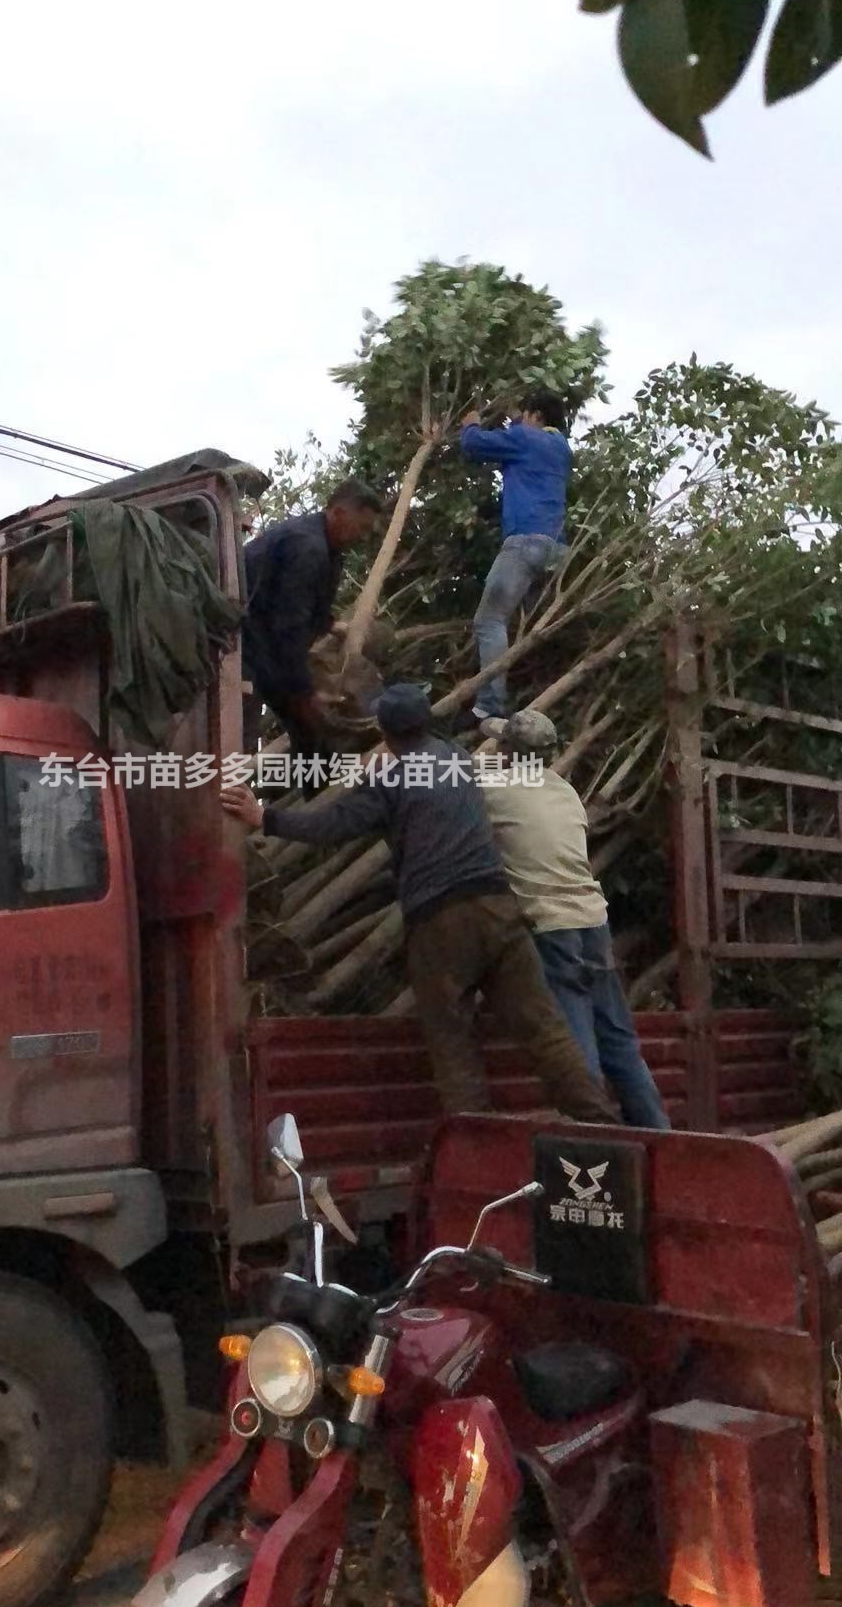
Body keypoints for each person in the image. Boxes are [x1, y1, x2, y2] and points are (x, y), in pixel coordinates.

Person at [222, 682, 617, 1124]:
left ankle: (473, 1139)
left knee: (451, 1037)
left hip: (441, 921)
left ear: (385, 732)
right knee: (546, 1029)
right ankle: (601, 1126)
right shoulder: (460, 762)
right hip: (499, 908)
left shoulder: (390, 779)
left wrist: (265, 817)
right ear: (427, 721)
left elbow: (333, 825)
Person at [480, 708, 670, 1129]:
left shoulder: (494, 787)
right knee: (618, 1038)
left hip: (553, 926)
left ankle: (593, 1133)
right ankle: (658, 1133)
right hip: (592, 920)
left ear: (509, 752)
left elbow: (454, 781)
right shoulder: (566, 792)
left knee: (575, 1037)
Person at [242, 478, 382, 765]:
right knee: (244, 733)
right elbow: (290, 625)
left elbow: (306, 605)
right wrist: (305, 692)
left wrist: (330, 625)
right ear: (339, 513)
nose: (363, 535)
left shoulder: (326, 546)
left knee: (311, 734)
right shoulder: (309, 548)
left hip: (265, 641)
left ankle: (311, 796)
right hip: (244, 644)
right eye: (363, 526)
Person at [460, 390, 572, 724]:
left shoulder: (526, 437)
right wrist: (516, 420)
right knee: (523, 622)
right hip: (556, 549)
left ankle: (489, 706)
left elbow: (474, 446)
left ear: (536, 416)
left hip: (525, 544)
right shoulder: (562, 449)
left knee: (489, 621)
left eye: (524, 415)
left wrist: (471, 423)